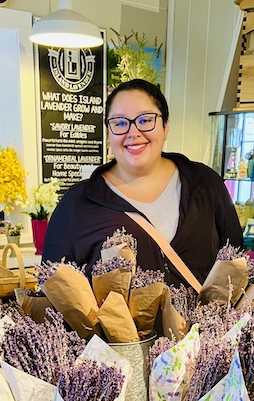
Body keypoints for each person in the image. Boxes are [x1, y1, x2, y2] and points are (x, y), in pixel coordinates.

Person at [41, 79, 242, 286]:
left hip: (204, 319)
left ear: (165, 127)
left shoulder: (205, 184)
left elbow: (235, 262)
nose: (133, 133)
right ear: (109, 133)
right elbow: (54, 286)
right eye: (119, 123)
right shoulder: (78, 203)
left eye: (146, 120)